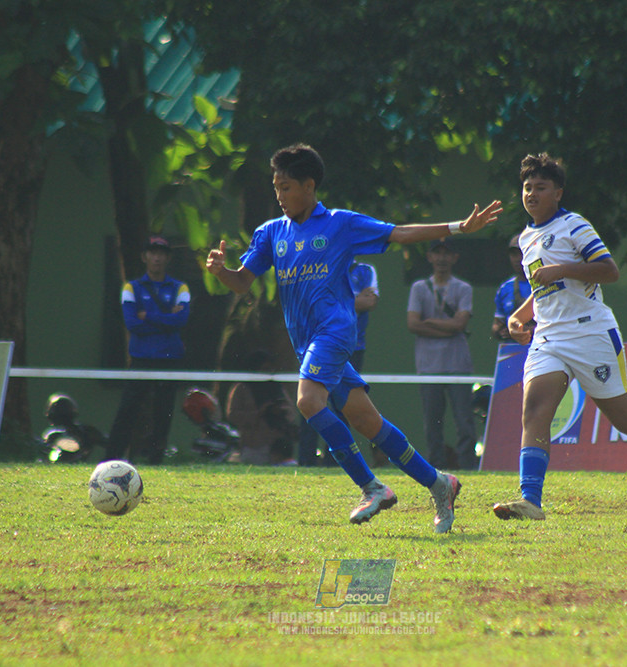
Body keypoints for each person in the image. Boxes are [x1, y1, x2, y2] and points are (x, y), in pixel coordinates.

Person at [206, 143, 502, 533]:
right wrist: (221, 271)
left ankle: (371, 486)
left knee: (308, 401)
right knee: (367, 422)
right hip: (307, 343)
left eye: (286, 187)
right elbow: (243, 282)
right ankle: (439, 483)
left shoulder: (340, 224)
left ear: (309, 185)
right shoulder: (270, 233)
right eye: (275, 187)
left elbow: (398, 233)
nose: (279, 196)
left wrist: (457, 227)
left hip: (335, 332)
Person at [492, 152, 627, 522]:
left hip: (590, 331)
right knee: (535, 411)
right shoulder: (526, 236)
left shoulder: (575, 226)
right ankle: (530, 501)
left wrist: (564, 267)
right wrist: (519, 314)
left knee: (624, 418)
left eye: (540, 187)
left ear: (558, 193)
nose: (531, 194)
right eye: (527, 188)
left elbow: (609, 270)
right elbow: (544, 287)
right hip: (548, 337)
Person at [105, 235, 190, 464]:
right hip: (141, 360)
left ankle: (155, 461)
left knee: (163, 414)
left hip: (169, 360)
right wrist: (166, 319)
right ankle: (110, 460)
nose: (157, 258)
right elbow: (132, 324)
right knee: (127, 411)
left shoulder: (179, 287)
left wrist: (149, 316)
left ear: (168, 258)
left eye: (161, 254)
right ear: (145, 257)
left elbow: (181, 320)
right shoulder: (131, 287)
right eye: (152, 253)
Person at [297, 260, 379, 466]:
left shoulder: (365, 270)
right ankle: (306, 460)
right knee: (311, 401)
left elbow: (369, 302)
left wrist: (335, 302)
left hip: (352, 349)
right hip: (319, 347)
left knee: (345, 405)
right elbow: (313, 304)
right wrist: (354, 300)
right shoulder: (318, 267)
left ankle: (335, 461)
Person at [407, 238, 478, 470]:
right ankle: (435, 470)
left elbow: (460, 324)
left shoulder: (464, 288)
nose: (442, 258)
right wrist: (446, 327)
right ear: (429, 257)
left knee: (465, 422)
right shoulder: (419, 288)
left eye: (447, 254)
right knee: (432, 424)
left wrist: (429, 323)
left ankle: (468, 467)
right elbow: (412, 324)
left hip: (458, 364)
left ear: (455, 258)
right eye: (437, 253)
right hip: (428, 366)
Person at [226, 349, 299, 465]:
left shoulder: (277, 387)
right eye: (264, 368)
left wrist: (280, 411)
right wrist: (260, 412)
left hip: (278, 446)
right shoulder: (241, 388)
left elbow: (291, 411)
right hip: (253, 444)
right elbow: (233, 415)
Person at [492, 233, 532, 342]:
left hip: (540, 347)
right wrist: (500, 331)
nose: (518, 259)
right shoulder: (505, 287)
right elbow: (498, 322)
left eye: (522, 253)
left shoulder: (544, 283)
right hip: (510, 351)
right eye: (514, 254)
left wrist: (529, 330)